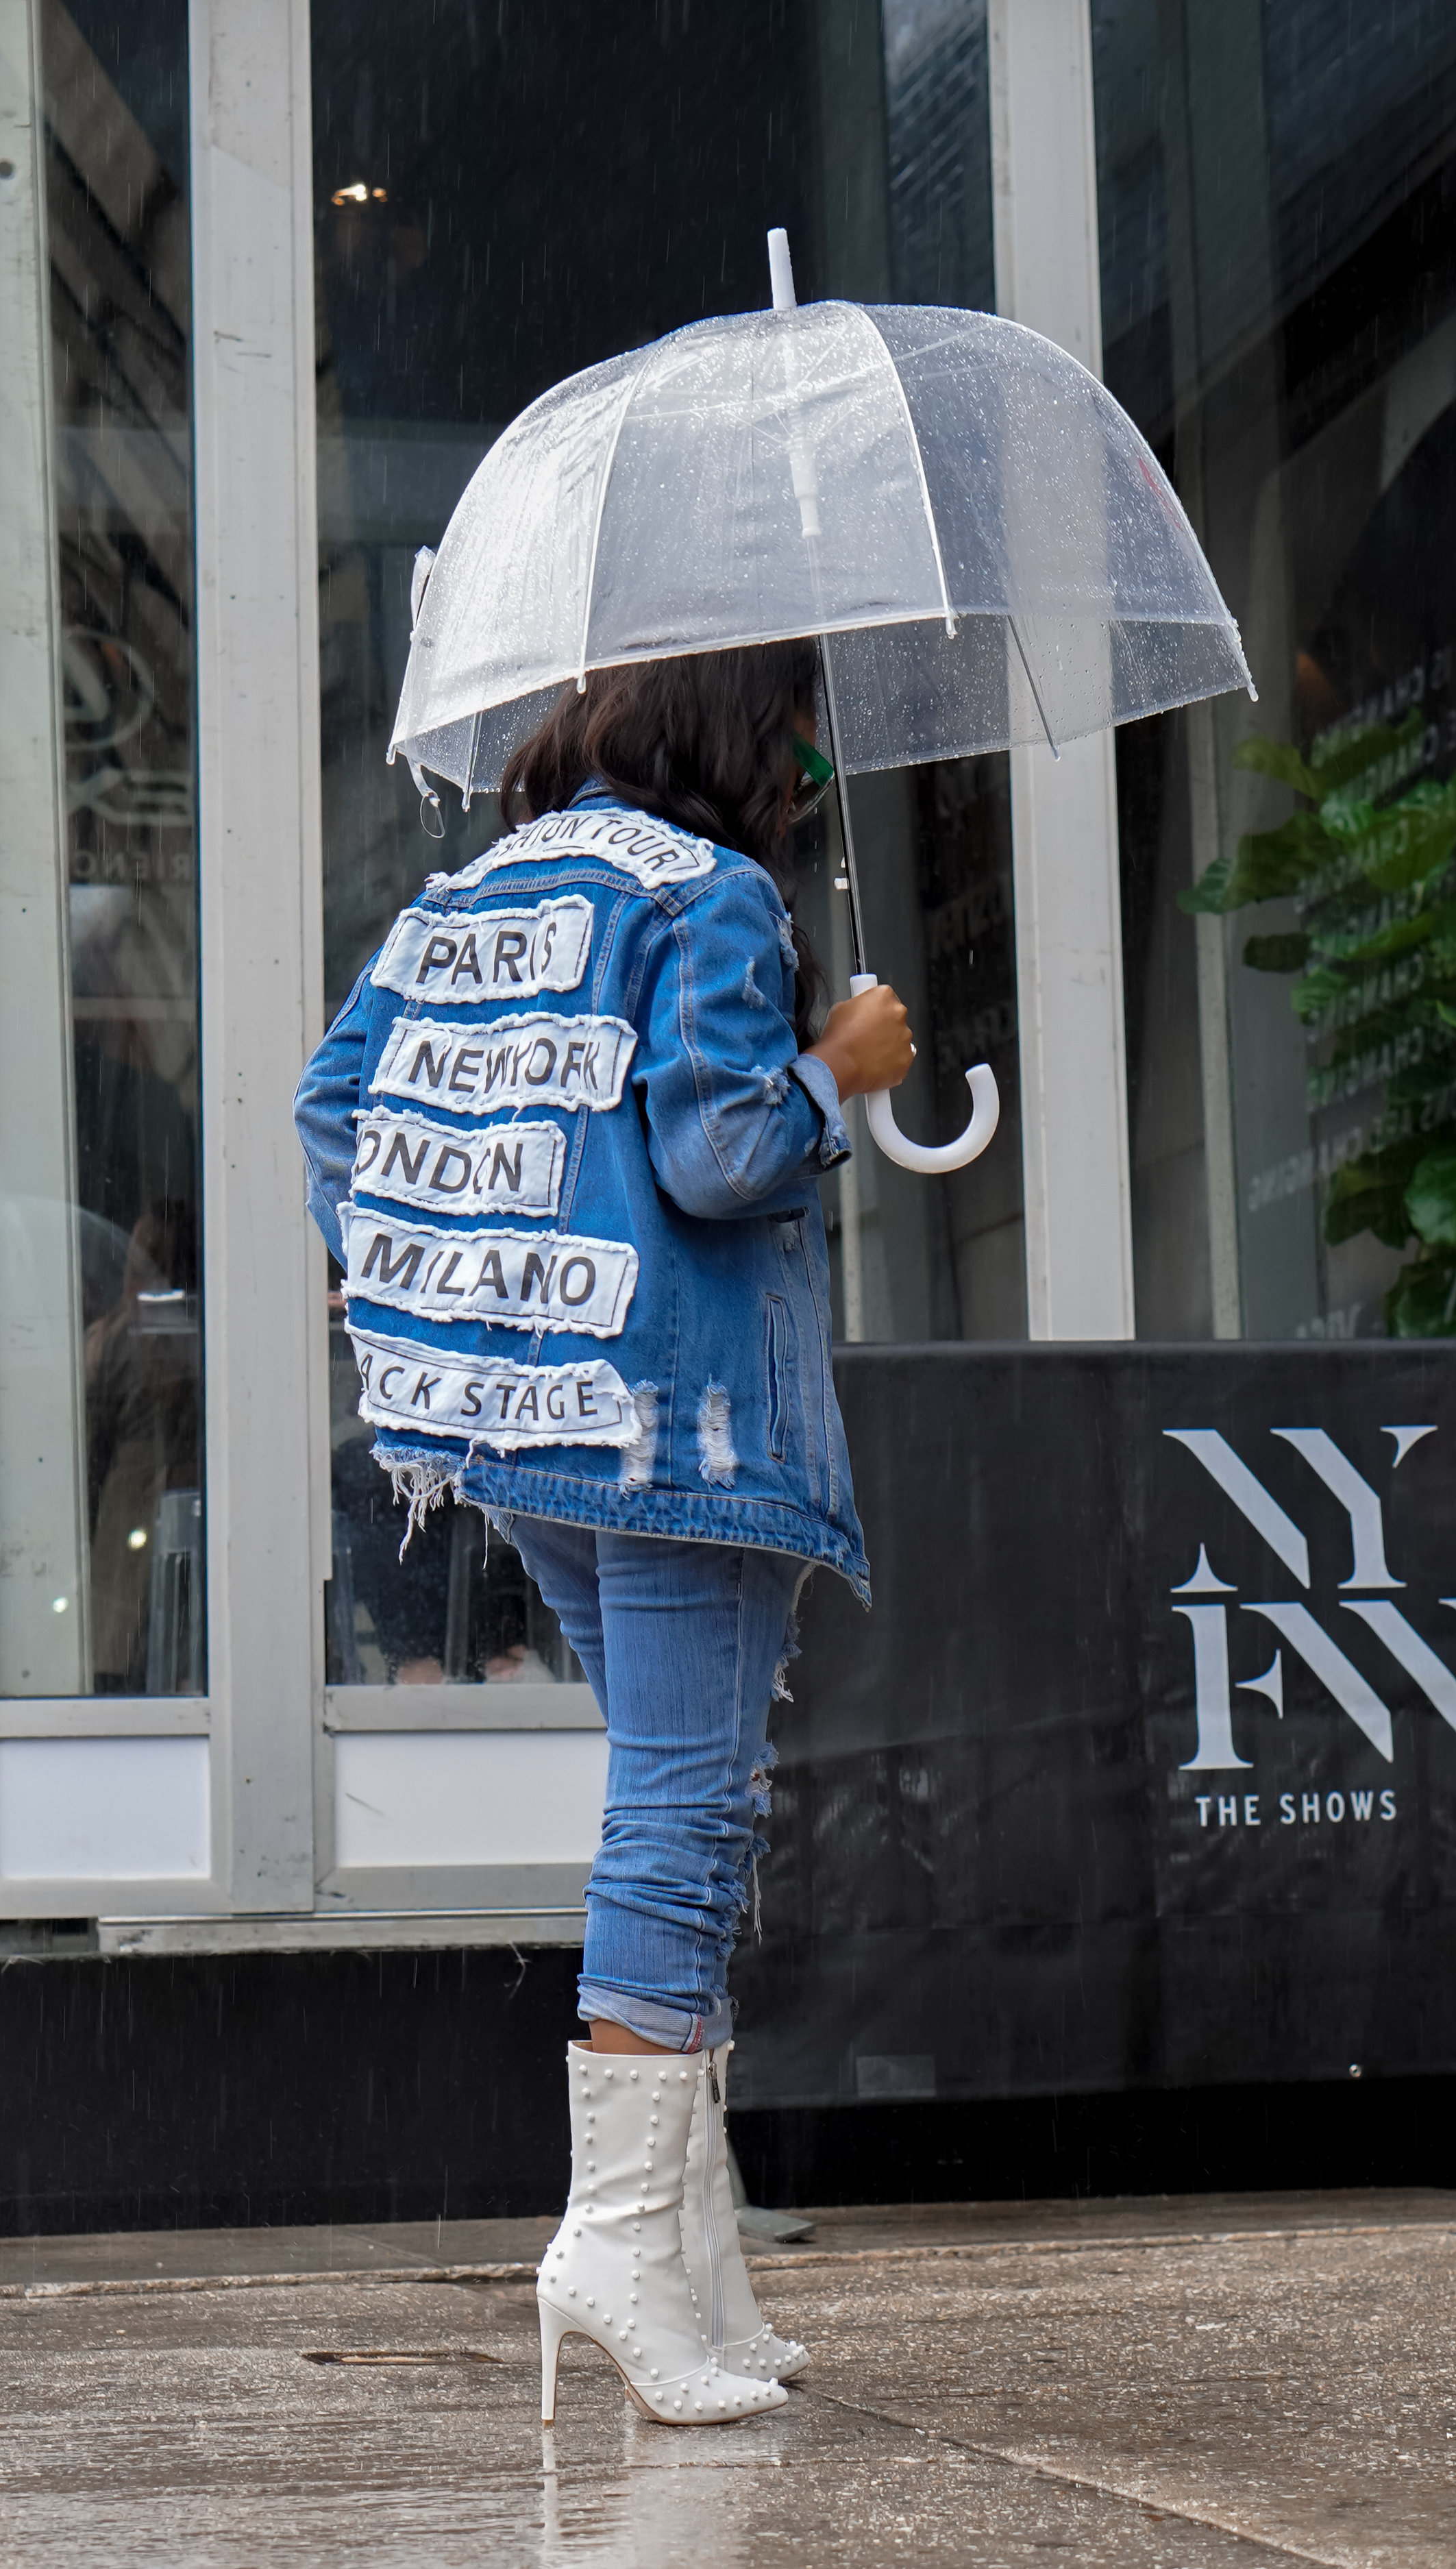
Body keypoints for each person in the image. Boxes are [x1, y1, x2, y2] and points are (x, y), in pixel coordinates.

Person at [295, 641, 913, 2425]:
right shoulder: (709, 895)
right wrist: (835, 1068)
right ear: (732, 732)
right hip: (682, 1413)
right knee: (685, 1802)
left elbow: (338, 1112)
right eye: (794, 726)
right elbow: (722, 1155)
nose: (804, 759)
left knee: (681, 1785)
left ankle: (691, 2263)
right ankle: (622, 2254)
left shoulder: (463, 906)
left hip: (521, 1419)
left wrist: (430, 1274)